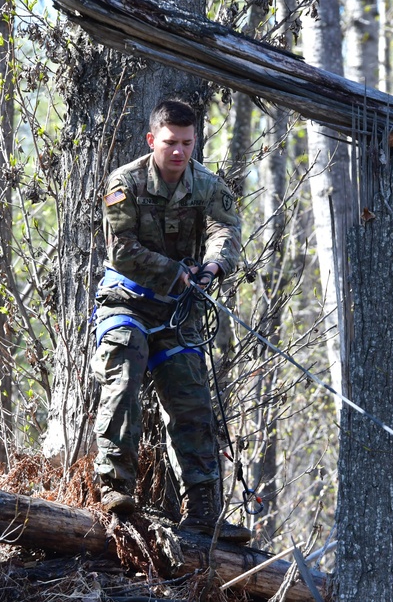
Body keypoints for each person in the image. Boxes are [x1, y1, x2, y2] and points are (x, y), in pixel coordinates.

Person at [90, 98, 251, 544]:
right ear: (152, 141)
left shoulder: (208, 186)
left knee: (193, 405)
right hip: (128, 302)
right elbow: (120, 249)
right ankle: (115, 490)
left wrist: (214, 266)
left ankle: (202, 513)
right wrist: (172, 270)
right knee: (122, 379)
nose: (178, 152)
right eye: (170, 143)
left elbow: (226, 231)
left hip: (179, 313)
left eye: (186, 143)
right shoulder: (124, 183)